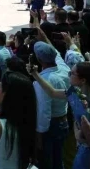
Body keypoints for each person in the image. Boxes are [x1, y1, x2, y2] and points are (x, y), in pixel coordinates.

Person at [30, 62, 90, 168]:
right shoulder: (75, 93)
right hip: (84, 154)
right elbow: (52, 92)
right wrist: (35, 74)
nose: (68, 74)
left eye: (72, 73)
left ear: (83, 80)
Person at [32, 40, 70, 169]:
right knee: (59, 158)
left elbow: (44, 111)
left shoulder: (43, 81)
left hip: (50, 126)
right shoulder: (65, 69)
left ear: (38, 59)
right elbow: (58, 55)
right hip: (64, 119)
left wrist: (39, 135)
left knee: (48, 162)